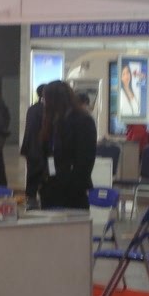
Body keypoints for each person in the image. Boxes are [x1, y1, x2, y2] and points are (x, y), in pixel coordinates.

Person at [39, 80, 96, 210]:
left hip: (72, 192)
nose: (44, 103)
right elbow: (48, 153)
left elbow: (85, 160)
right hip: (51, 187)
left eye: (45, 99)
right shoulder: (53, 121)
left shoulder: (83, 121)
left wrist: (70, 183)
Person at [20, 84, 46, 210]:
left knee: (31, 176)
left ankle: (30, 202)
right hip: (41, 149)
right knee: (44, 176)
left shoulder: (32, 108)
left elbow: (28, 130)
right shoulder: (46, 110)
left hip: (30, 148)